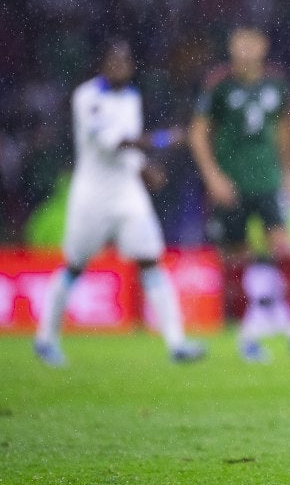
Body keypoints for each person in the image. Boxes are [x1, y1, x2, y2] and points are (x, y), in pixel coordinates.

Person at [34, 40, 206, 366]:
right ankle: (45, 338)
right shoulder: (87, 97)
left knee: (150, 260)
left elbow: (128, 148)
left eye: (125, 62)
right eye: (113, 61)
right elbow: (112, 142)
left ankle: (177, 343)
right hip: (93, 196)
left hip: (127, 193)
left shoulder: (131, 97)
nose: (120, 67)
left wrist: (145, 166)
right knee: (75, 265)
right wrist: (164, 139)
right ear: (102, 64)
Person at [188, 26, 290, 362]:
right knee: (237, 258)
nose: (244, 51)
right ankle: (246, 334)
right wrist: (213, 177)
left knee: (285, 249)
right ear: (231, 47)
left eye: (251, 44)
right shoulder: (219, 85)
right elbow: (198, 133)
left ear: (262, 47)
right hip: (232, 185)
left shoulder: (276, 85)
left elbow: (284, 130)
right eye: (239, 44)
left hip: (268, 181)